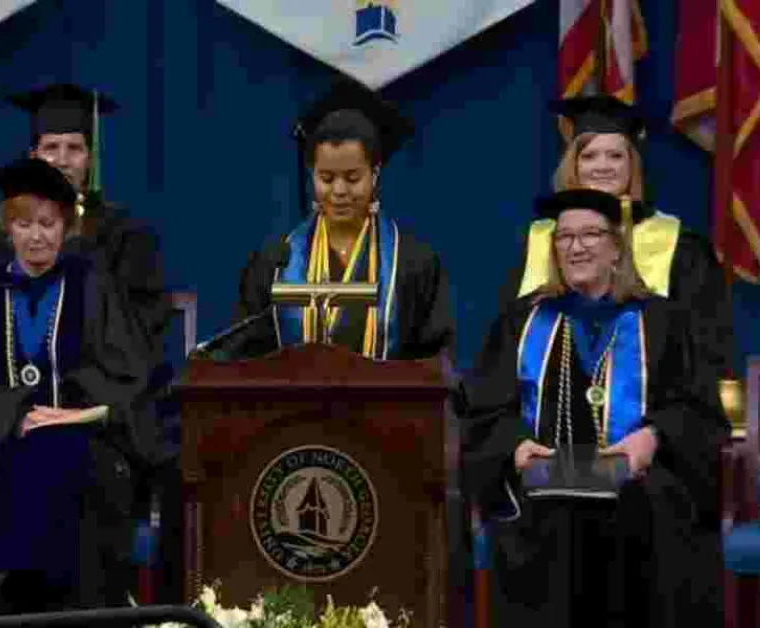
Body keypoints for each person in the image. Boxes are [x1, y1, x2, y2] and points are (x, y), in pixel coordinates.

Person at [461, 188, 729, 627]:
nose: (576, 246)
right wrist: (516, 446)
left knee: (647, 510)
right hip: (545, 491)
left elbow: (698, 410)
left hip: (637, 489)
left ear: (615, 248)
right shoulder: (521, 321)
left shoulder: (661, 321)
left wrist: (652, 435)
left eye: (590, 234)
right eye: (564, 237)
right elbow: (486, 409)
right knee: (548, 517)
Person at [0, 158, 152, 617]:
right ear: (7, 229)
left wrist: (72, 411)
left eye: (49, 224)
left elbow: (131, 379)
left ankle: (2, 597)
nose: (37, 237)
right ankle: (77, 612)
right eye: (24, 224)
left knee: (56, 452)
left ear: (67, 227)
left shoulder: (95, 290)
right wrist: (17, 414)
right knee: (38, 455)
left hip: (89, 451)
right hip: (1, 454)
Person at [499, 94, 733, 382]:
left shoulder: (677, 245)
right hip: (553, 402)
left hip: (650, 405)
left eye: (615, 155)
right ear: (572, 165)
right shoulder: (541, 239)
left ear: (632, 165)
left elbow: (705, 347)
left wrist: (667, 424)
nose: (602, 166)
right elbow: (510, 342)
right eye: (588, 156)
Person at [232, 78, 455, 360]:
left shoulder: (412, 263)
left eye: (352, 178)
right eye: (326, 178)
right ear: (312, 175)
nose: (339, 191)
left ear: (374, 175)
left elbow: (436, 368)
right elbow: (244, 360)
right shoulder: (277, 262)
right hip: (291, 405)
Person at [0, 84, 171, 367]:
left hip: (99, 383)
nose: (63, 161)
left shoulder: (125, 233)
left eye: (75, 148)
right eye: (51, 147)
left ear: (90, 159)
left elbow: (142, 325)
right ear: (34, 156)